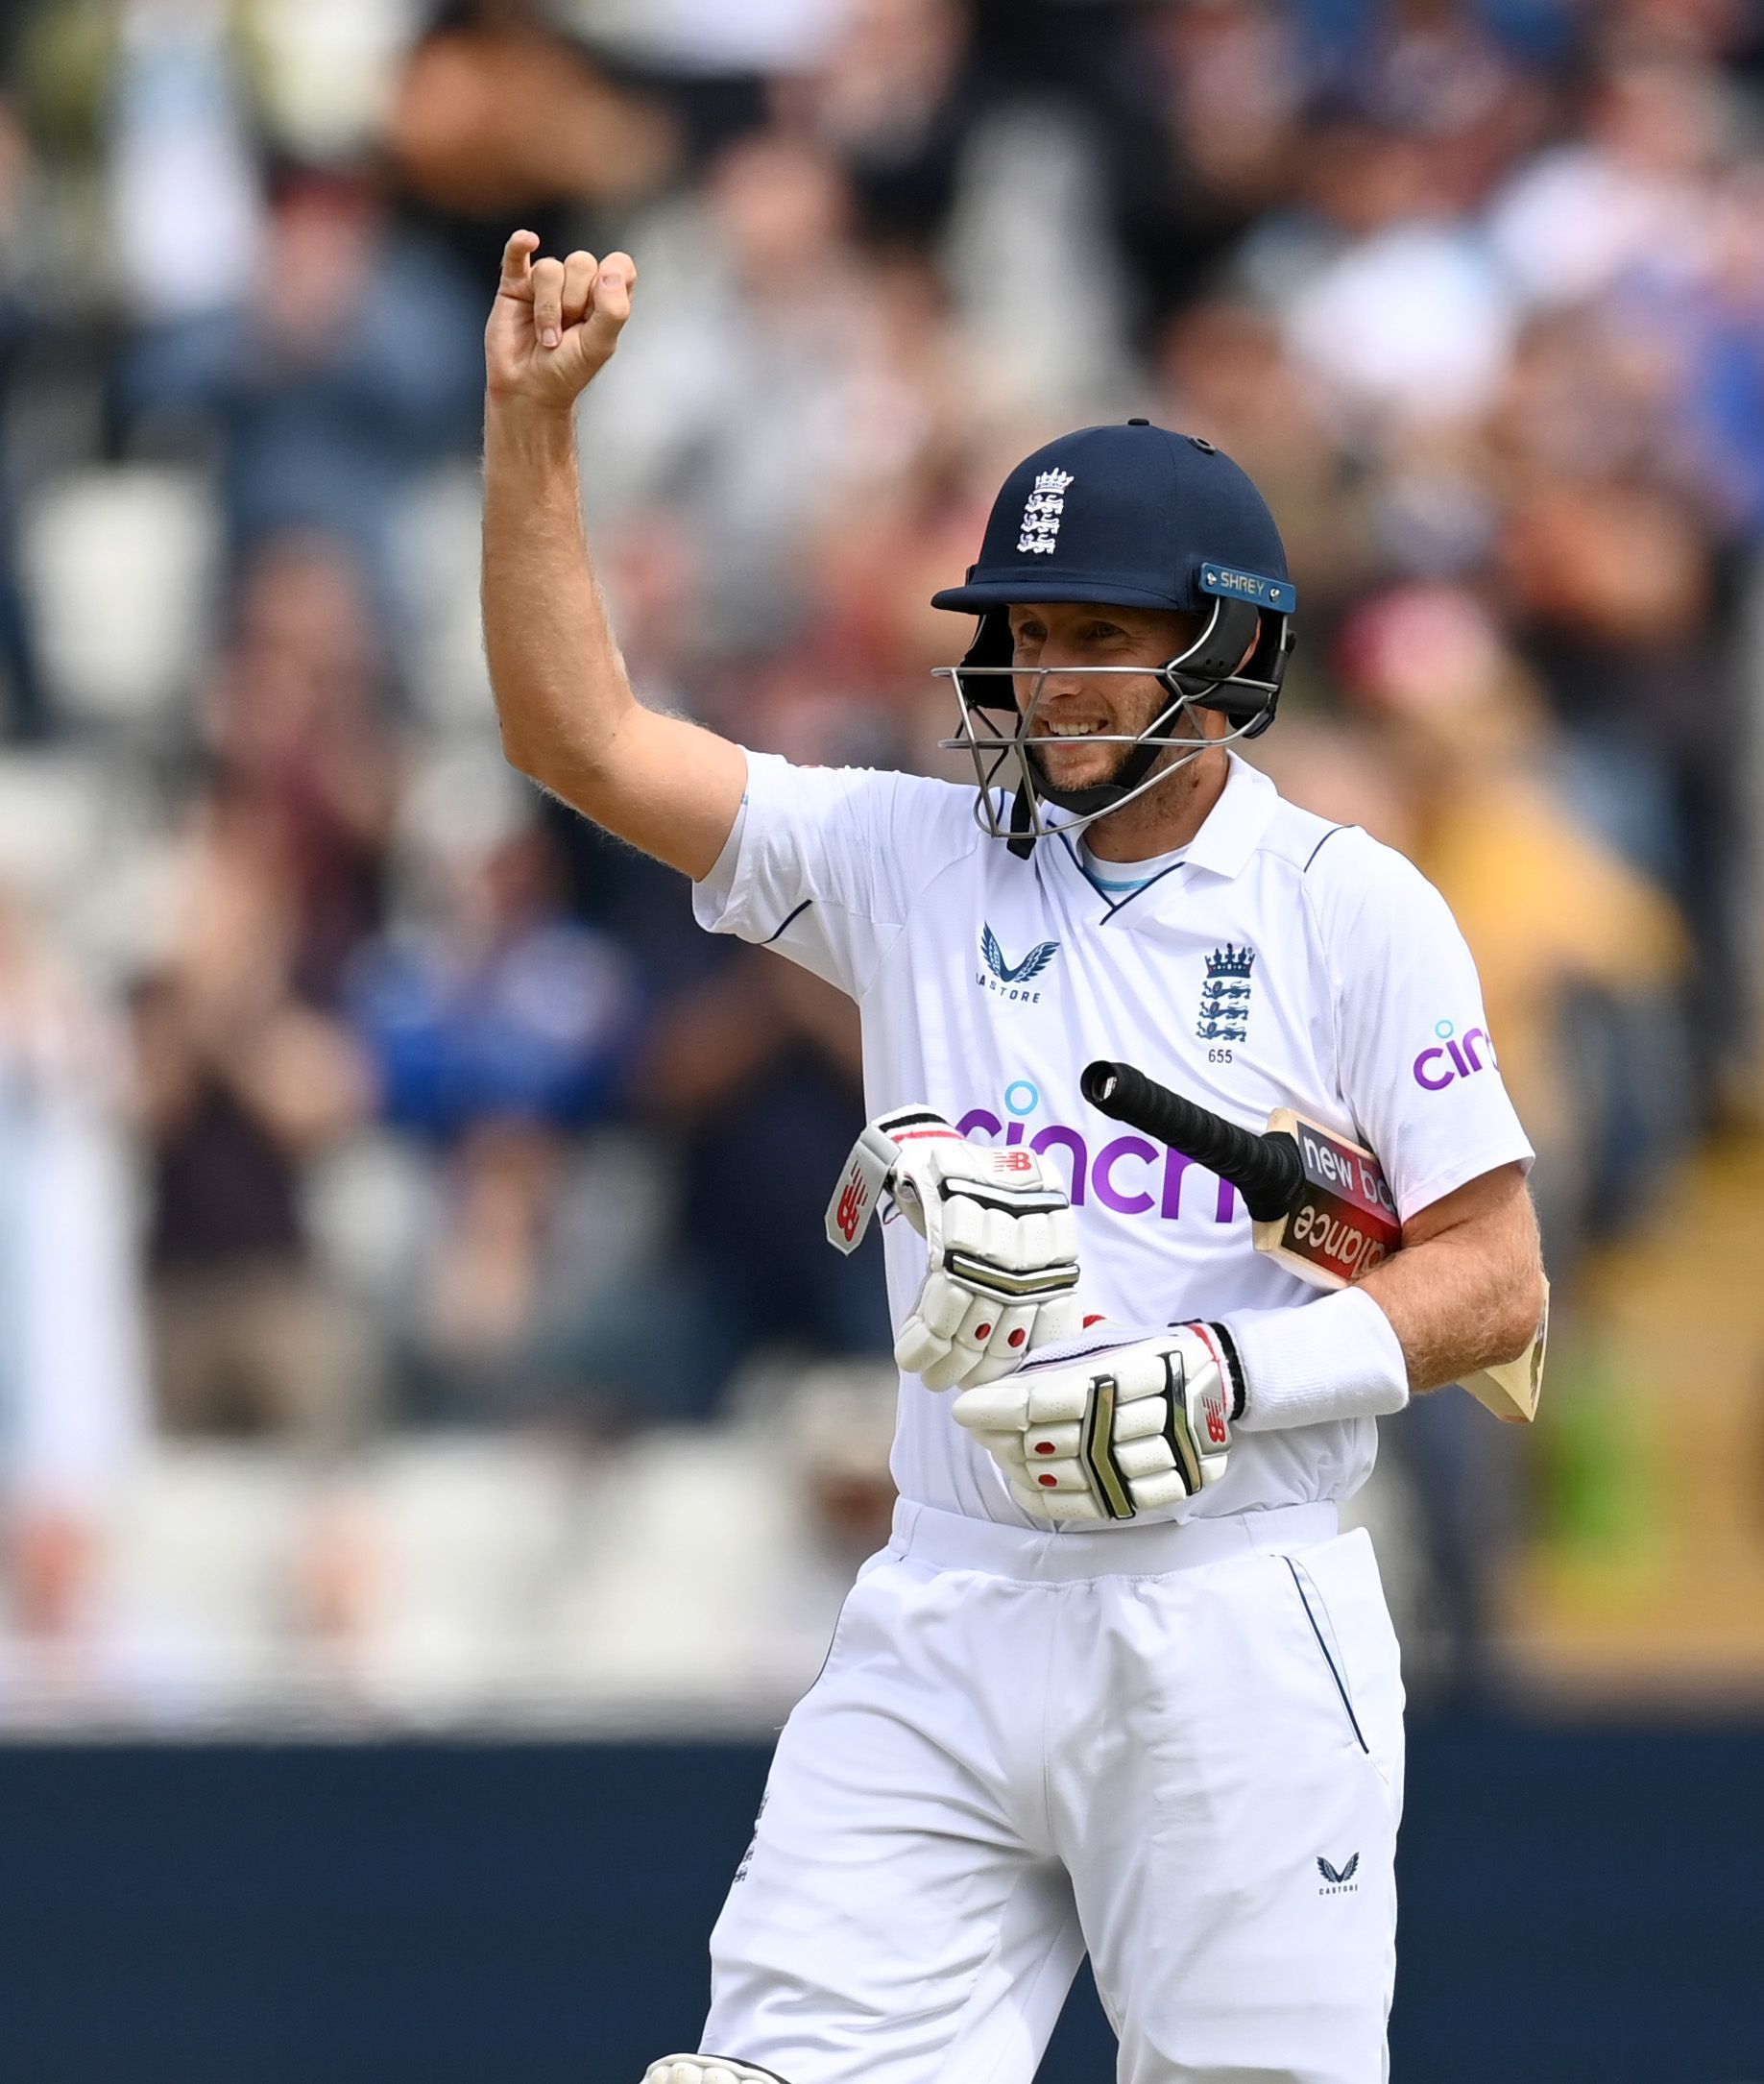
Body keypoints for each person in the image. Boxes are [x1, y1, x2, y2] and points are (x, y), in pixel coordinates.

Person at [480, 233, 1545, 2084]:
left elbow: (1495, 1280)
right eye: (1027, 636)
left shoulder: (1345, 909)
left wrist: (1220, 1373)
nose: (1047, 682)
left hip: (1235, 1601)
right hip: (952, 1590)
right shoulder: (908, 856)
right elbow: (576, 738)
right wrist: (531, 431)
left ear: (1223, 652)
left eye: (1098, 638)